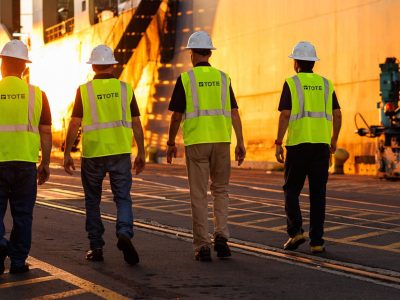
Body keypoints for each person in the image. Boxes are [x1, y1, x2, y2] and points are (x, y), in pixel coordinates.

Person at [167, 31, 246, 262]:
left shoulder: (186, 79)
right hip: (222, 140)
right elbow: (234, 112)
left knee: (199, 195)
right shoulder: (224, 78)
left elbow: (175, 117)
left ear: (192, 54)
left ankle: (202, 245)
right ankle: (222, 235)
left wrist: (171, 142)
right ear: (210, 52)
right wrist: (240, 141)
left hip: (197, 143)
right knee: (221, 191)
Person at [63, 45, 145, 265]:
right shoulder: (125, 89)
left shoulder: (84, 90)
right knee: (123, 198)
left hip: (93, 153)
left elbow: (74, 123)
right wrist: (142, 152)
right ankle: (125, 232)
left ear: (93, 66)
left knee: (92, 200)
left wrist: (67, 152)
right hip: (119, 151)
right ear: (112, 65)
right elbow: (136, 122)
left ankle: (96, 247)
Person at [275, 41, 342, 254]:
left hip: (297, 145)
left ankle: (295, 232)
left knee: (291, 190)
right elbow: (338, 114)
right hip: (321, 147)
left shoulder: (291, 83)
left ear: (296, 63)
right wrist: (334, 139)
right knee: (318, 194)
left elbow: (285, 114)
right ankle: (317, 242)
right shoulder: (326, 84)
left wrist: (278, 142)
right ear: (313, 62)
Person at [0, 40, 52, 274]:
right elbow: (46, 132)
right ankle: (18, 262)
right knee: (23, 215)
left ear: (2, 65)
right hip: (25, 163)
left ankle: (1, 246)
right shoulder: (37, 94)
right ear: (24, 67)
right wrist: (46, 163)